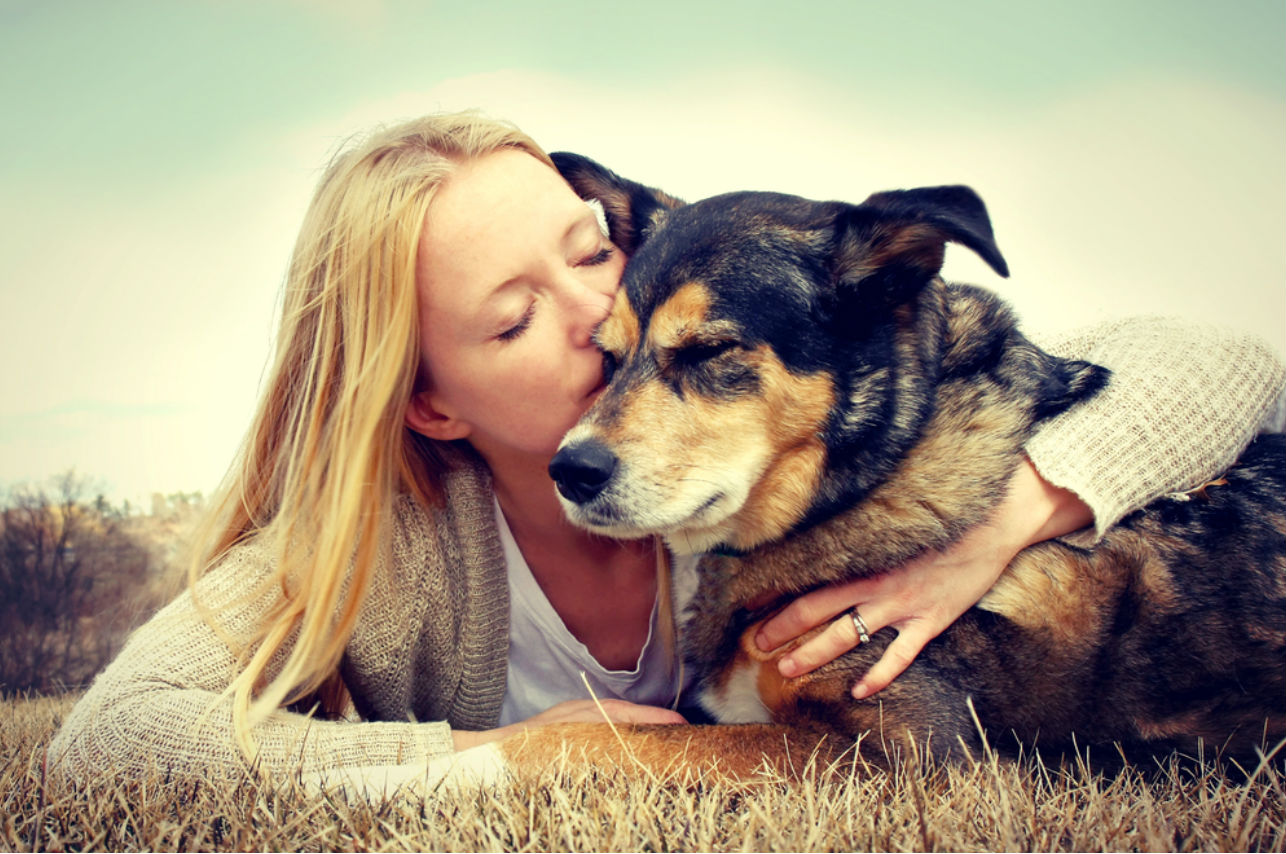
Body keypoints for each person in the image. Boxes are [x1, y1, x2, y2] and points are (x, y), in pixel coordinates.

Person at [47, 112, 1285, 781]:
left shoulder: (769, 460)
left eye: (588, 252)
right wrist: (502, 756)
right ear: (431, 403)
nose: (600, 313)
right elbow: (112, 739)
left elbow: (1220, 364)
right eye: (514, 316)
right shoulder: (395, 546)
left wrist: (1009, 523)